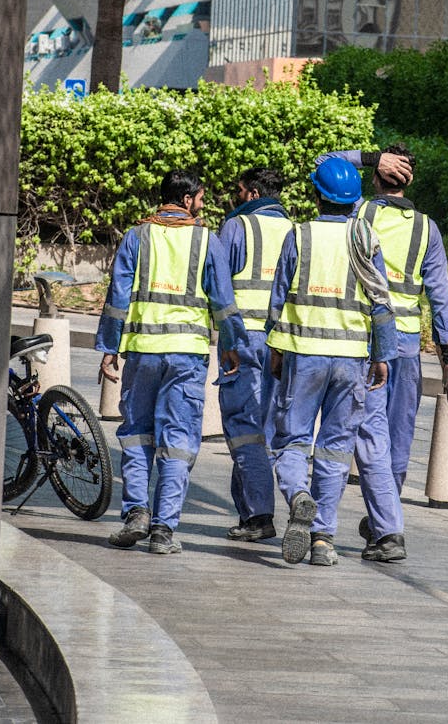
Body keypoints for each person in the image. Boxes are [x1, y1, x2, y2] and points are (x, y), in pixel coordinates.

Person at [316, 145, 448, 562]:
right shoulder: (427, 229)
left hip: (369, 342)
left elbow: (322, 164)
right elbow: (441, 297)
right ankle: (385, 517)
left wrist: (367, 157)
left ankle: (387, 527)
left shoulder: (357, 216)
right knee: (399, 436)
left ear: (376, 177)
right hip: (408, 345)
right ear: (410, 181)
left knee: (371, 433)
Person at [96, 169, 247, 555]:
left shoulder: (137, 236)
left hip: (143, 352)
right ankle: (164, 529)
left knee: (136, 434)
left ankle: (136, 515)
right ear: (186, 199)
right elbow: (223, 300)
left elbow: (117, 295)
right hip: (186, 356)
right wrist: (231, 345)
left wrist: (109, 347)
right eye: (199, 198)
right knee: (177, 441)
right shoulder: (206, 239)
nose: (202, 205)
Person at [266, 158, 398, 567]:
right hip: (351, 360)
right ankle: (322, 539)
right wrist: (383, 356)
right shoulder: (366, 237)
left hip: (302, 356)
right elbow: (381, 303)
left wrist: (274, 348)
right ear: (355, 199)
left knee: (291, 440)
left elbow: (277, 298)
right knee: (337, 449)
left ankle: (297, 496)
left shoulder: (299, 235)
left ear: (317, 194)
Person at [217, 167, 292, 542]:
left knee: (243, 427)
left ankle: (260, 515)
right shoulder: (295, 229)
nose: (236, 196)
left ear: (253, 193)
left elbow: (216, 283)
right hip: (282, 343)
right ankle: (249, 513)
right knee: (263, 426)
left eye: (239, 190)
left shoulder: (237, 227)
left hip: (242, 338)